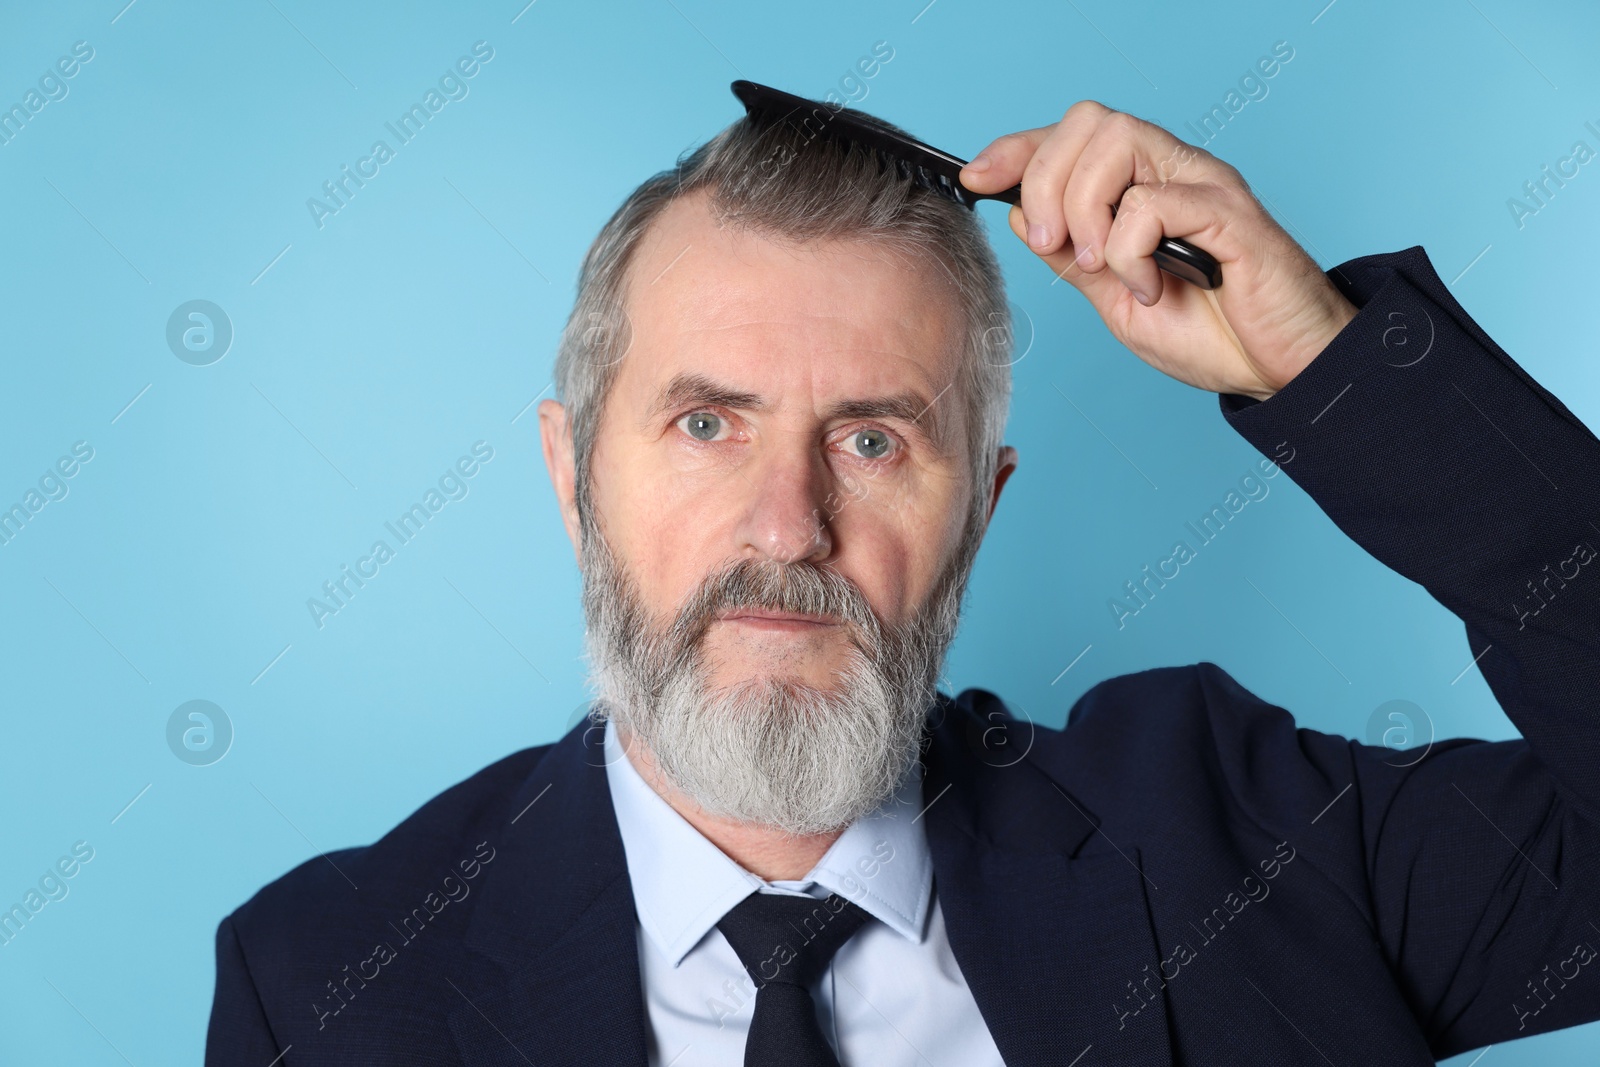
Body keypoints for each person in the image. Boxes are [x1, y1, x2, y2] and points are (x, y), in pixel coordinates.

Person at [206, 92, 1600, 1066]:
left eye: (871, 440)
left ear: (978, 514)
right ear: (574, 484)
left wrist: (1333, 369)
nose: (786, 525)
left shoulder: (1245, 836)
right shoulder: (331, 987)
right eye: (707, 424)